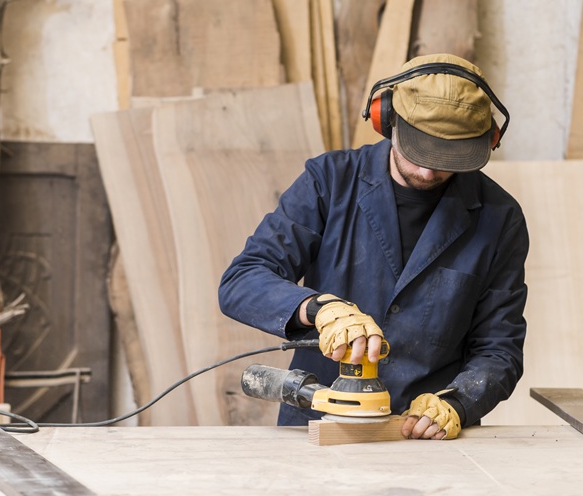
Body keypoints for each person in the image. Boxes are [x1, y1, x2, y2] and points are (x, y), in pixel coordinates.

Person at [218, 53, 528, 440]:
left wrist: (458, 402)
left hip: (423, 434)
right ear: (387, 120)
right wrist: (318, 309)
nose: (429, 171)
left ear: (486, 142)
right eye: (419, 151)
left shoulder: (499, 218)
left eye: (447, 157)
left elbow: (499, 349)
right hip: (318, 427)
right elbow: (241, 280)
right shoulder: (329, 182)